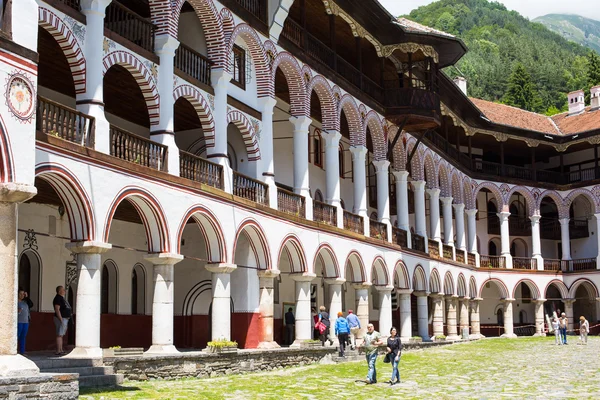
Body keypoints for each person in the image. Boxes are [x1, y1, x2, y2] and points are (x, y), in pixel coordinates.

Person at [53, 286, 71, 355]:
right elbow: (57, 309)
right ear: (59, 291)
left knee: (61, 335)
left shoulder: (61, 298)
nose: (64, 291)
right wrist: (60, 319)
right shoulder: (58, 298)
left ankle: (61, 349)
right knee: (59, 334)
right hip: (61, 318)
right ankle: (58, 350)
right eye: (63, 290)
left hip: (64, 318)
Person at [17, 289, 34, 355]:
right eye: (20, 294)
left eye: (23, 294)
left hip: (26, 321)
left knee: (23, 336)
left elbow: (31, 304)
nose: (22, 295)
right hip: (19, 321)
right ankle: (15, 350)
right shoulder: (15, 302)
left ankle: (22, 351)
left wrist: (27, 297)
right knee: (17, 335)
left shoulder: (25, 302)